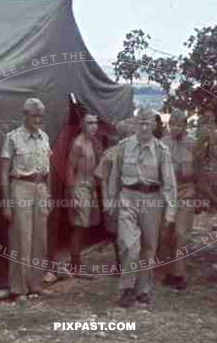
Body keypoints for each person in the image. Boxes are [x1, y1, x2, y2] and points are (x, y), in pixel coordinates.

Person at [107, 109, 177, 308]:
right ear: (135, 124)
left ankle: (143, 290)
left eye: (148, 124)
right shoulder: (123, 147)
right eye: (141, 123)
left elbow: (169, 183)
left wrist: (170, 212)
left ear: (154, 126)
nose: (144, 128)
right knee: (130, 246)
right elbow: (115, 176)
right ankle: (127, 288)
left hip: (152, 199)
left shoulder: (162, 150)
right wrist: (111, 201)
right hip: (128, 197)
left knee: (148, 247)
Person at [0, 98, 52, 302]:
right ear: (25, 115)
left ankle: (35, 284)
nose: (39, 119)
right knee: (22, 238)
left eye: (41, 115)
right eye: (35, 115)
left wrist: (49, 195)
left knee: (40, 238)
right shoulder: (12, 138)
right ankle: (19, 287)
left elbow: (48, 170)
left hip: (40, 188)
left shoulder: (44, 137)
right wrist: (6, 202)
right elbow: (3, 172)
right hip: (20, 187)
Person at [157, 109, 198, 290]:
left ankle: (179, 274)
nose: (175, 127)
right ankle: (167, 271)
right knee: (166, 234)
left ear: (185, 126)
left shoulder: (193, 144)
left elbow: (200, 172)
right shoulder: (162, 143)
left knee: (182, 234)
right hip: (166, 196)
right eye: (172, 123)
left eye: (179, 124)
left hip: (186, 194)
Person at [94, 118, 137, 275]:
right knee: (117, 234)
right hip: (116, 199)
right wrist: (106, 200)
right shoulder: (111, 154)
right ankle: (121, 264)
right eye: (129, 133)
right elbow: (103, 179)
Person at [66, 113, 101, 273]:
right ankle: (74, 264)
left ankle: (77, 261)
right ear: (82, 124)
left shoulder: (92, 142)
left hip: (89, 188)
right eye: (90, 123)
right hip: (79, 186)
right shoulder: (78, 143)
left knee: (86, 225)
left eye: (95, 123)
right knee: (80, 226)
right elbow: (69, 168)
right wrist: (72, 195)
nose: (94, 126)